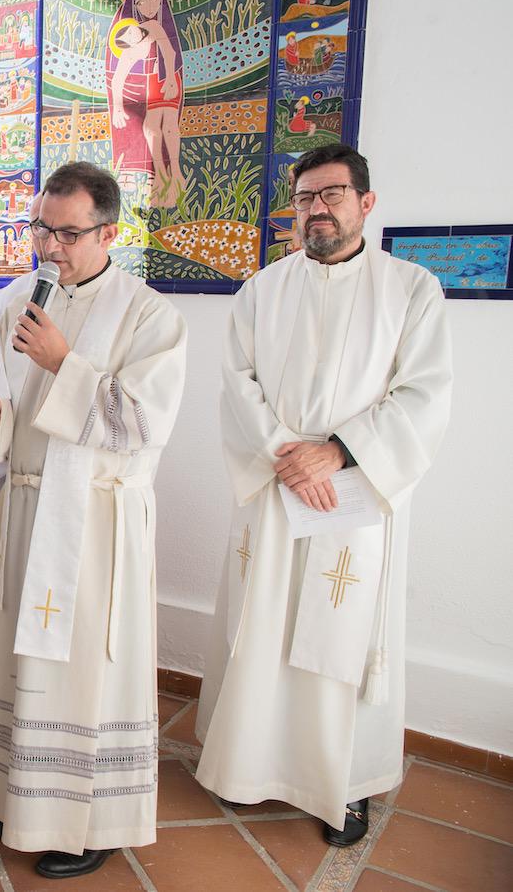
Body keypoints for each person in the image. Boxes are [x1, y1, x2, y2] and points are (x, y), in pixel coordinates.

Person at [194, 144, 453, 847]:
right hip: (277, 486)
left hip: (352, 498)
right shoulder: (262, 289)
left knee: (340, 635)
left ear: (365, 203)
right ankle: (248, 766)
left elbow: (422, 395)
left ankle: (346, 783)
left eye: (331, 194)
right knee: (264, 623)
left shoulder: (410, 290)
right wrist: (287, 451)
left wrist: (333, 452)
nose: (316, 209)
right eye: (304, 197)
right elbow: (235, 382)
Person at [0, 162, 186, 880]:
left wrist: (61, 363)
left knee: (84, 670)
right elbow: (6, 408)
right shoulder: (17, 297)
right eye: (40, 228)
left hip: (94, 522)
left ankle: (86, 820)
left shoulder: (150, 315)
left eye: (68, 233)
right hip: (26, 505)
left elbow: (142, 425)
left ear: (109, 231)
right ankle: (10, 794)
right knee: (17, 656)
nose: (49, 246)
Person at [105, 0, 186, 208]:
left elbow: (170, 53)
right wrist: (118, 107)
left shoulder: (153, 27)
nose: (149, 6)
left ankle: (175, 172)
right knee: (151, 127)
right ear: (134, 7)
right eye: (142, 2)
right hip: (153, 82)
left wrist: (171, 78)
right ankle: (159, 176)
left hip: (167, 78)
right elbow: (119, 76)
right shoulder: (132, 46)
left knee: (169, 125)